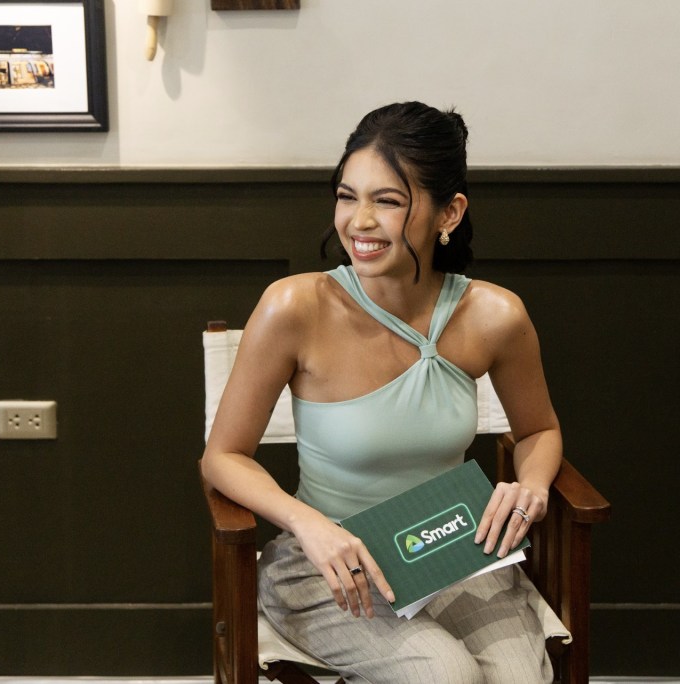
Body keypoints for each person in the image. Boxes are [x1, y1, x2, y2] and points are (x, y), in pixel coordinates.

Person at [200, 101, 563, 683]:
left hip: (450, 548)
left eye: (387, 201)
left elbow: (539, 430)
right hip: (328, 563)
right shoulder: (294, 307)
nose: (359, 222)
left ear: (449, 213)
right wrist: (308, 524)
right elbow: (222, 456)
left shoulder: (494, 315)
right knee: (445, 676)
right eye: (348, 197)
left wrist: (533, 486)